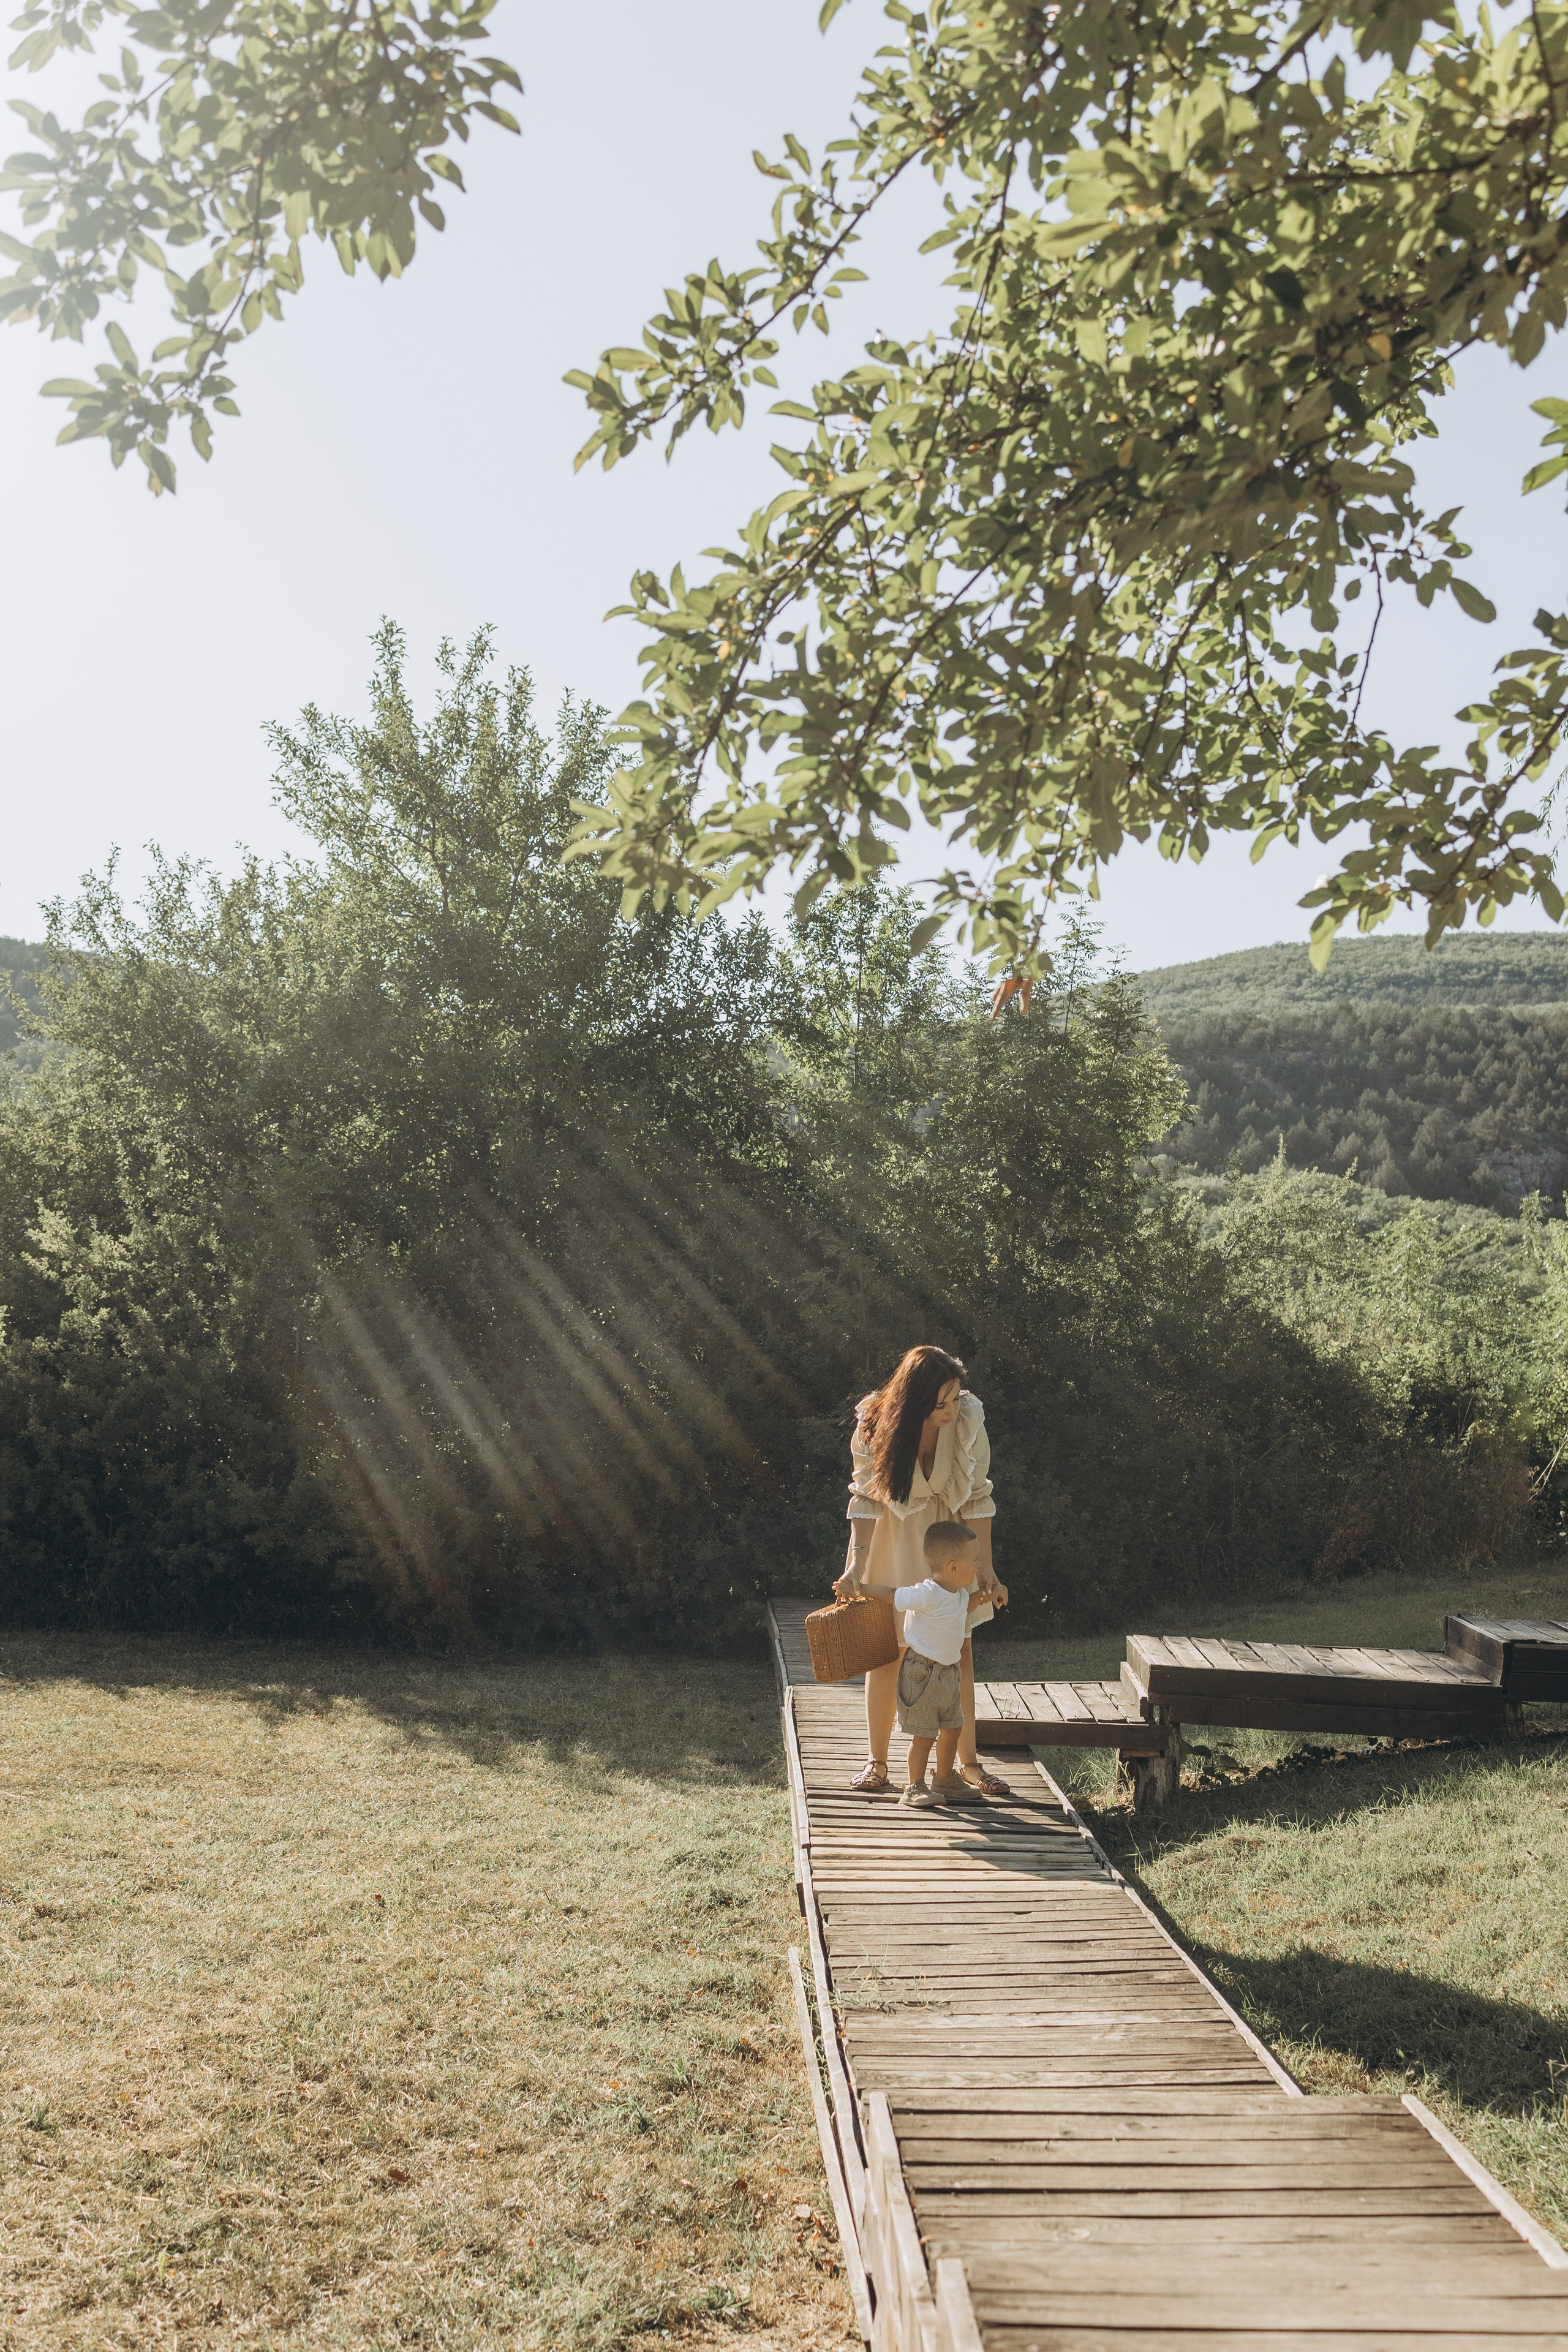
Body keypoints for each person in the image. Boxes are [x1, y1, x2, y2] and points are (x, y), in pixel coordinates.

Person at [837, 1344, 1009, 1799]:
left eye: (954, 1397)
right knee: (888, 1651)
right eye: (940, 1404)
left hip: (949, 1542)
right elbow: (865, 1498)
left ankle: (965, 1765)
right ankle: (877, 1762)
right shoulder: (875, 1421)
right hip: (891, 1536)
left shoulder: (969, 1418)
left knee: (960, 1650)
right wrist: (856, 1565)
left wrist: (986, 1568)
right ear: (913, 1403)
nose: (952, 1410)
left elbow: (977, 1498)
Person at [834, 1521, 994, 1806]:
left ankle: (944, 1779)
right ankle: (914, 1787)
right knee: (924, 1734)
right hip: (921, 1672)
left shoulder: (957, 1594)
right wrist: (859, 1589)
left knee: (952, 1728)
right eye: (975, 1561)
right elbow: (893, 1595)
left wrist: (987, 1595)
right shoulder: (926, 1593)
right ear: (954, 1567)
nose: (979, 1565)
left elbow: (963, 1607)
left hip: (948, 1672)